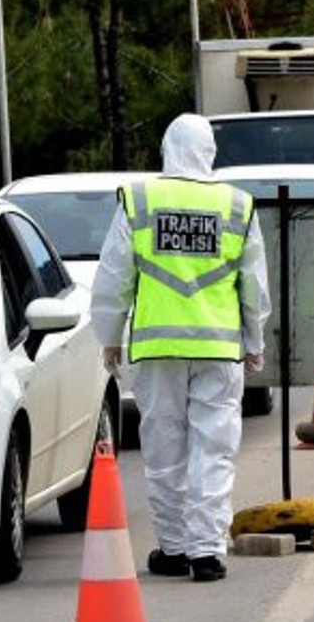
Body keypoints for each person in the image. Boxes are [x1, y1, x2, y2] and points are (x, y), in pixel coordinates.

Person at [91, 113, 271, 583]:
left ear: (167, 149)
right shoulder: (236, 206)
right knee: (214, 448)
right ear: (209, 153)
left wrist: (110, 336)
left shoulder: (140, 200)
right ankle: (207, 551)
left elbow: (114, 276)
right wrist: (255, 339)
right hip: (217, 347)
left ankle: (173, 549)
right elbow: (253, 284)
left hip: (158, 349)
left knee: (164, 449)